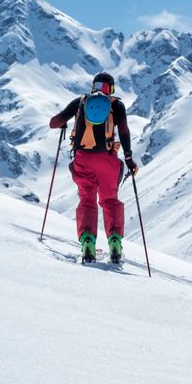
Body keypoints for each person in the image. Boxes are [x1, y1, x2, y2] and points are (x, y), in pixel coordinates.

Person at [48, 72, 139, 264]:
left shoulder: (81, 102)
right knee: (110, 200)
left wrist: (64, 121)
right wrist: (129, 157)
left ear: (94, 86)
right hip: (107, 160)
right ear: (111, 88)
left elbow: (53, 123)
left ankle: (88, 242)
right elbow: (123, 131)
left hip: (83, 159)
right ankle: (114, 242)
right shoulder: (116, 105)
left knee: (87, 200)